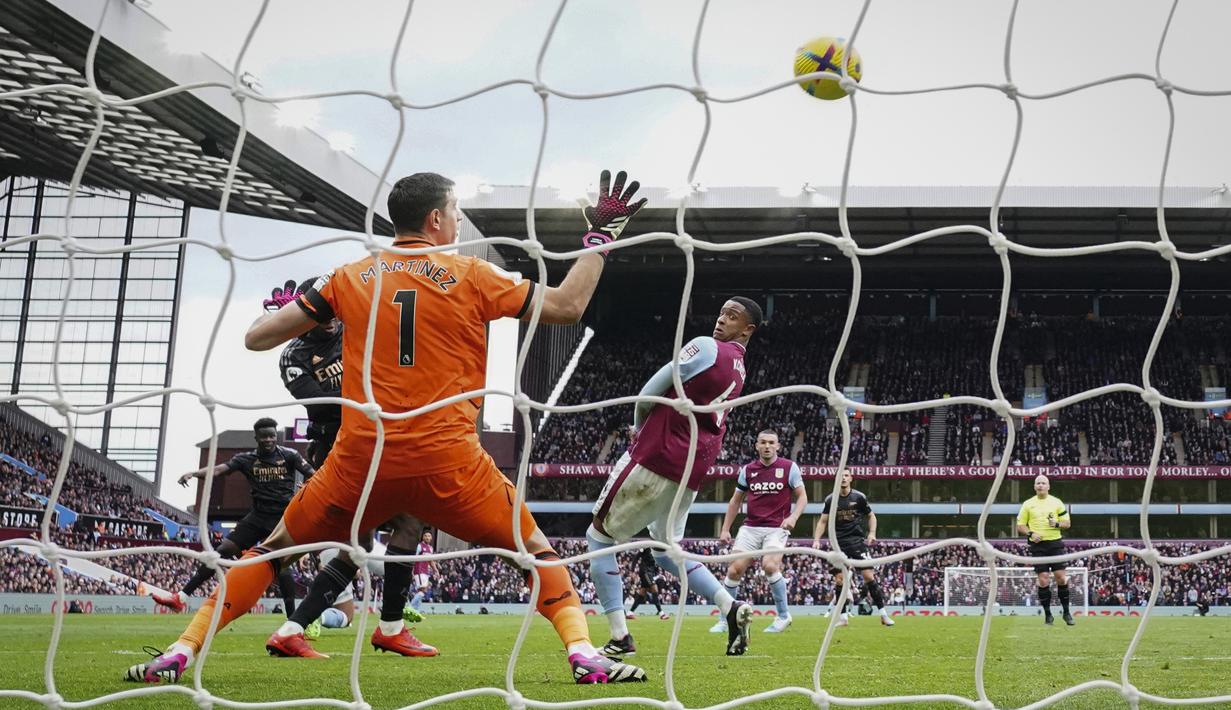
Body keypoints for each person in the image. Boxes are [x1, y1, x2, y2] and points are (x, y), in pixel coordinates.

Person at [125, 169, 648, 685]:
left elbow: (257, 338)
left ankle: (182, 651)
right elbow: (567, 306)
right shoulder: (472, 275)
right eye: (456, 211)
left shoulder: (349, 276)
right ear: (436, 218)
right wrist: (599, 238)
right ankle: (582, 653)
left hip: (362, 462)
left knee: (273, 549)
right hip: (449, 463)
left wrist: (310, 305)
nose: (459, 220)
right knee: (536, 553)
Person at [585, 296, 763, 659]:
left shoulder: (707, 347)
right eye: (721, 313)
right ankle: (730, 607)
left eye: (731, 317)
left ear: (747, 330)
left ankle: (620, 636)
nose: (720, 320)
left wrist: (639, 430)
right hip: (690, 472)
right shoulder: (740, 370)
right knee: (667, 551)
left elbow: (647, 394)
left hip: (656, 455)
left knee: (598, 537)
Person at [265, 279, 432, 658]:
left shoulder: (358, 330)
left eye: (333, 308)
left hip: (373, 442)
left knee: (365, 542)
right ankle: (388, 627)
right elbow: (322, 405)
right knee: (388, 529)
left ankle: (293, 629)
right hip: (338, 449)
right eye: (320, 309)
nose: (329, 317)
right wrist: (378, 395)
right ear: (306, 310)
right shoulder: (294, 356)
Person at [151, 418, 312, 617]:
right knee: (222, 551)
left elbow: (312, 474)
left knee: (282, 566)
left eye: (272, 436)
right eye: (264, 437)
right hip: (257, 517)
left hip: (281, 519)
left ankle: (292, 620)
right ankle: (180, 598)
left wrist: (308, 487)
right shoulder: (246, 459)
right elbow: (219, 470)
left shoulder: (290, 455)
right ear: (256, 438)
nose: (268, 440)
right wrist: (194, 473)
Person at [710, 429, 806, 634]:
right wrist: (725, 529)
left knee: (770, 566)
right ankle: (725, 620)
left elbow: (802, 497)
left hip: (776, 528)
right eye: (763, 442)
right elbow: (735, 501)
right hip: (751, 527)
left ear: (778, 446)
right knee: (734, 570)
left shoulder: (789, 467)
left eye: (771, 442)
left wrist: (793, 517)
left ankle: (783, 616)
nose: (767, 446)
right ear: (757, 446)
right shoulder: (748, 470)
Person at [811, 468, 894, 627]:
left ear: (851, 478)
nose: (843, 478)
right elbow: (822, 521)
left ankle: (883, 615)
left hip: (857, 542)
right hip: (838, 544)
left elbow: (871, 516)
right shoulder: (830, 499)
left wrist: (872, 533)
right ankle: (843, 618)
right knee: (839, 580)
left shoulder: (859, 497)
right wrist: (816, 540)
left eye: (846, 475)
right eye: (840, 476)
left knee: (869, 577)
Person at [1016, 474, 1074, 626]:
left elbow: (1067, 523)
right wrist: (1031, 533)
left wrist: (1057, 524)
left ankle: (1066, 613)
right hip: (1038, 546)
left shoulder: (1056, 502)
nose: (1040, 485)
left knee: (1061, 578)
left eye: (1043, 483)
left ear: (1048, 486)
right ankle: (1048, 615)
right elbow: (1020, 525)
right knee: (1043, 579)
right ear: (1034, 487)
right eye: (1038, 483)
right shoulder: (1028, 504)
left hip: (1055, 544)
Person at [627, 547, 666, 619]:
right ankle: (661, 613)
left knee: (642, 593)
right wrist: (632, 571)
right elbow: (636, 557)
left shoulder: (657, 549)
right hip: (645, 571)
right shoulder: (646, 547)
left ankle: (630, 613)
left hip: (650, 572)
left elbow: (658, 563)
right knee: (654, 588)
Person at [407, 530, 440, 614]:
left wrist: (436, 570)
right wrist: (411, 570)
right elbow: (413, 558)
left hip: (425, 571)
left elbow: (430, 561)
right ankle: (410, 607)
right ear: (423, 537)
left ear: (431, 538)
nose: (427, 537)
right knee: (423, 590)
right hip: (419, 570)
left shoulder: (430, 548)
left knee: (420, 592)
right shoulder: (419, 546)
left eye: (429, 536)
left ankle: (415, 611)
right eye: (426, 536)